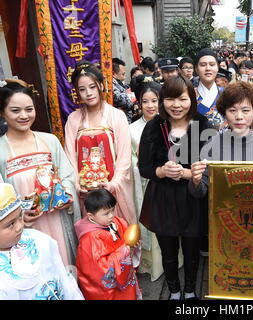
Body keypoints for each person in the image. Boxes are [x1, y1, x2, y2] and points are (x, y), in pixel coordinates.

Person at [138, 75, 212, 300]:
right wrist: (162, 171)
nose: (176, 105)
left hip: (192, 196)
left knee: (192, 250)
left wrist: (186, 173)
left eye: (182, 99)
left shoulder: (203, 124)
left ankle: (190, 290)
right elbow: (144, 167)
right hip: (162, 197)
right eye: (170, 99)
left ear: (192, 98)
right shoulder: (154, 126)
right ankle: (173, 290)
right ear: (163, 101)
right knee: (168, 250)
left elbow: (211, 167)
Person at [0, 80, 80, 266]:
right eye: (15, 110)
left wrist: (64, 195)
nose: (24, 115)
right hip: (22, 228)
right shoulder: (1, 150)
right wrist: (18, 217)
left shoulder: (50, 141)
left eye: (29, 109)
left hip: (57, 221)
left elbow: (68, 176)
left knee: (64, 268)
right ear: (2, 113)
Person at [64, 61, 136, 225]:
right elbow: (70, 157)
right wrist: (76, 183)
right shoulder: (73, 120)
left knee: (119, 235)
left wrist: (114, 183)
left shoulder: (116, 116)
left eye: (92, 87)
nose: (88, 93)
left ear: (101, 86)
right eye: (82, 89)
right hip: (87, 195)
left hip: (113, 190)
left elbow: (124, 157)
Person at [0, 183, 84, 300]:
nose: (20, 226)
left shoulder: (40, 240)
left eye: (20, 217)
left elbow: (63, 277)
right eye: (11, 224)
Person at [75, 189, 141, 300]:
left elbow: (127, 241)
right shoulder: (90, 239)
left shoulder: (117, 222)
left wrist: (133, 246)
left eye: (112, 210)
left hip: (123, 275)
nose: (111, 216)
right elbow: (98, 270)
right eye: (106, 213)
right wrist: (123, 252)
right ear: (91, 216)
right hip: (108, 290)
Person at [128, 76, 164, 279]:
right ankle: (149, 264)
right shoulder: (131, 129)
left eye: (155, 100)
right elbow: (128, 159)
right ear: (139, 103)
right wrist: (143, 166)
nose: (150, 106)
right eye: (145, 101)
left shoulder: (168, 125)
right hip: (141, 185)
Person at [194, 48, 225, 130]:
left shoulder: (227, 94)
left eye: (212, 64)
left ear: (218, 68)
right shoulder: (188, 95)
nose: (208, 68)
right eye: (203, 65)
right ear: (196, 69)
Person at [112, 58, 133, 123]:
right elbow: (127, 103)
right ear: (113, 73)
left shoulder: (118, 83)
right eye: (123, 74)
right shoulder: (110, 85)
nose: (124, 77)